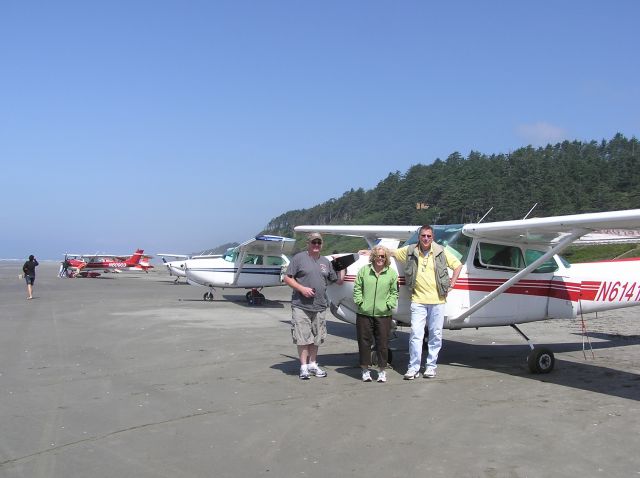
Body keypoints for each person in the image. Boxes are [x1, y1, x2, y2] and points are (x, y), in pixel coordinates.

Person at [362, 225, 462, 380]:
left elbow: (458, 265)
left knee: (436, 334)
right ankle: (413, 367)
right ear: (419, 237)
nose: (426, 238)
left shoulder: (441, 251)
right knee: (416, 334)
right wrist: (372, 253)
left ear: (432, 237)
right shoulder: (410, 250)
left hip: (438, 300)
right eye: (423, 236)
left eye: (429, 236)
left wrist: (452, 284)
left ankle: (430, 367)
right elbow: (392, 252)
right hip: (418, 300)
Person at [284, 232, 344, 380]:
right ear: (308, 244)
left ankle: (313, 364)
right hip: (301, 306)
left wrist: (341, 264)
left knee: (317, 337)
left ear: (322, 244)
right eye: (313, 242)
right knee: (302, 337)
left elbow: (338, 280)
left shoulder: (325, 261)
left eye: (319, 242)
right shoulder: (299, 258)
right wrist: (302, 289)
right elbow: (287, 277)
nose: (316, 245)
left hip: (320, 305)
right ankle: (303, 367)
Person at [352, 245, 398, 383]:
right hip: (364, 313)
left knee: (382, 343)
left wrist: (388, 305)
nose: (380, 258)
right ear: (373, 257)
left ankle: (382, 371)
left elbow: (394, 292)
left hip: (383, 314)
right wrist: (360, 302)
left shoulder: (391, 273)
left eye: (383, 256)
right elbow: (357, 288)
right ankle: (365, 370)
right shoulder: (364, 271)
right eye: (377, 256)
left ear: (386, 258)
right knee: (364, 342)